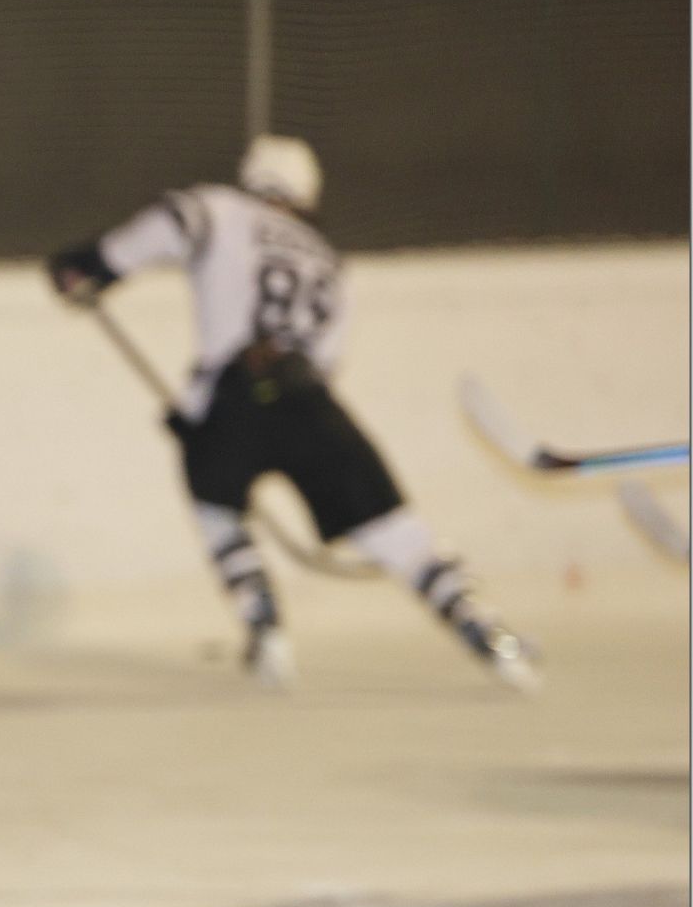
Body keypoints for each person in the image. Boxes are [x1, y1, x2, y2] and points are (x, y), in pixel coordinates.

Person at [47, 134, 538, 691]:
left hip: (234, 398)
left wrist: (91, 265)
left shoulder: (220, 208)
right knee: (395, 532)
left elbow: (166, 223)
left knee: (215, 506)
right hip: (311, 405)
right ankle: (488, 634)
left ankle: (265, 628)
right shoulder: (328, 260)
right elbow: (326, 359)